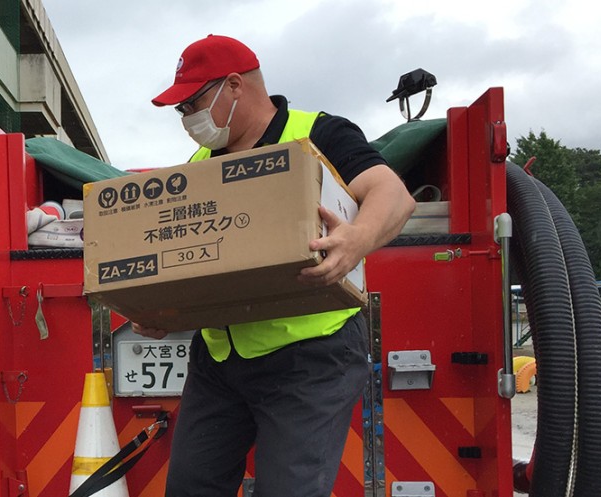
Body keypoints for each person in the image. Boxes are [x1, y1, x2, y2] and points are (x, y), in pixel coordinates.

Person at [136, 35, 416, 496]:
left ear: (233, 87)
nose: (187, 120)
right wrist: (168, 309)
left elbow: (393, 195)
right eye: (180, 111)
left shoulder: (318, 134)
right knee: (190, 487)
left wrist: (354, 241)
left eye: (192, 104)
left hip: (309, 355)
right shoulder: (201, 163)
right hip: (221, 359)